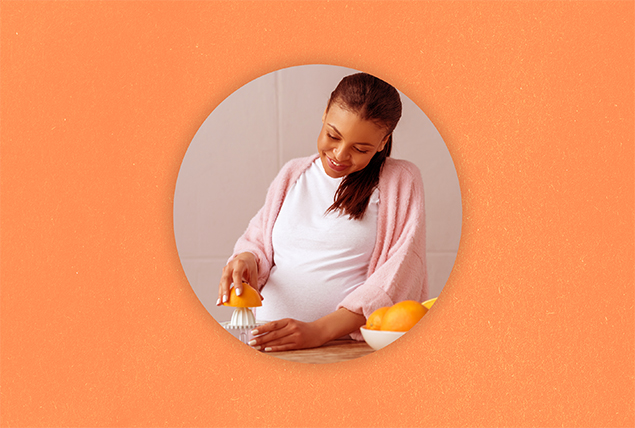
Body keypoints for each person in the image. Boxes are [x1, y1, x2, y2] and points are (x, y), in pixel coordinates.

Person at [217, 72, 427, 352]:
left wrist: (318, 332)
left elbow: (400, 273)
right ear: (325, 112)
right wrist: (246, 260)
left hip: (340, 349)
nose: (340, 155)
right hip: (263, 342)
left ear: (382, 142)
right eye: (333, 135)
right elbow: (259, 244)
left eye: (360, 148)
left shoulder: (400, 180)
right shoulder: (293, 173)